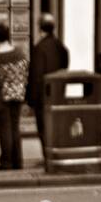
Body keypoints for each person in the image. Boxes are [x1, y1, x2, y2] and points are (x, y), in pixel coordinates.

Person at [0, 22, 29, 170]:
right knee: (15, 127)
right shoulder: (20, 52)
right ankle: (18, 161)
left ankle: (6, 162)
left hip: (2, 96)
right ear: (8, 36)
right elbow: (26, 71)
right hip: (19, 94)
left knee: (4, 129)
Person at [28, 13, 70, 142]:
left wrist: (31, 99)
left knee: (44, 128)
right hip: (58, 93)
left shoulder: (39, 48)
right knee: (56, 126)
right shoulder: (61, 47)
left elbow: (36, 76)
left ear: (39, 28)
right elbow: (64, 69)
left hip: (43, 96)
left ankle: (47, 156)